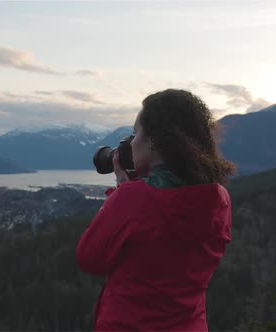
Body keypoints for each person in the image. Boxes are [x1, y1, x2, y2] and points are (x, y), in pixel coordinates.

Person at [76, 89, 236, 331]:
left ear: (153, 140)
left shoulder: (131, 199)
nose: (130, 143)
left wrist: (122, 193)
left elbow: (90, 259)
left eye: (135, 132)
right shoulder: (218, 200)